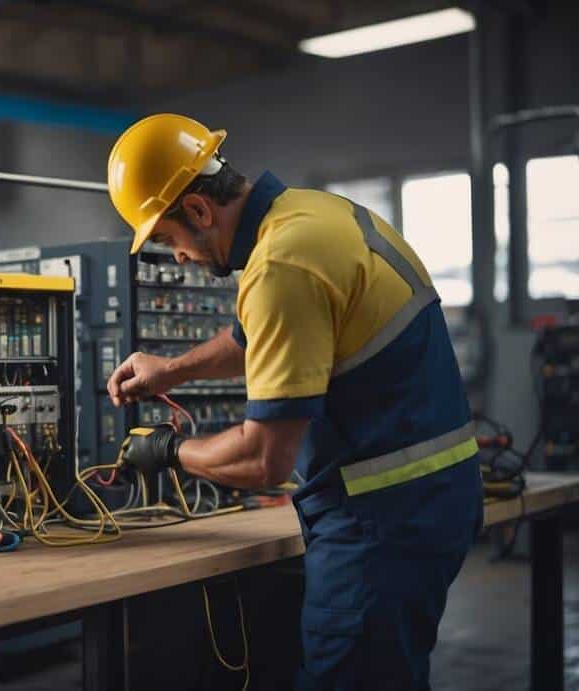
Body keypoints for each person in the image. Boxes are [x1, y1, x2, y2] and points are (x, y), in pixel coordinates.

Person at [105, 114, 483, 689]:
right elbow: (254, 336)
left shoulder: (280, 265)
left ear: (200, 210)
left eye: (167, 238)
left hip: (380, 521)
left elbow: (264, 461)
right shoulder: (312, 214)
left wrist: (167, 450)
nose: (176, 256)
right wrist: (172, 370)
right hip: (432, 497)